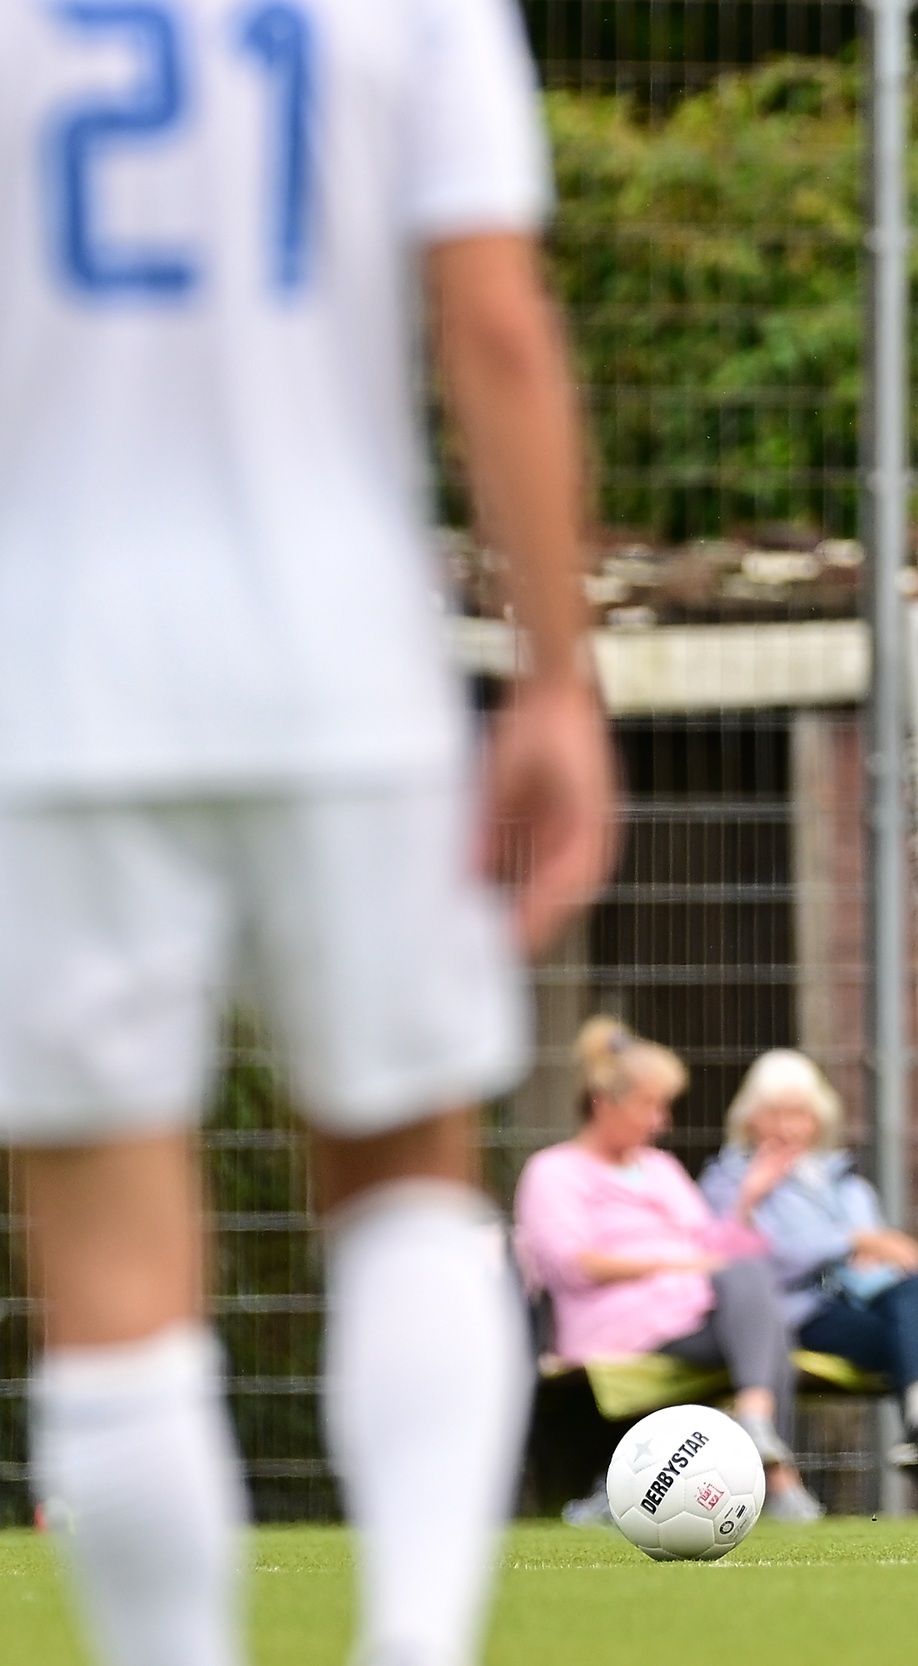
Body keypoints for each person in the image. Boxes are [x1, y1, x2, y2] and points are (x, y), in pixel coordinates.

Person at [3, 4, 615, 1663]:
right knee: (409, 1177)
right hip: (344, 667)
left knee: (107, 1253)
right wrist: (560, 678)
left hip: (52, 684)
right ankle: (416, 1643)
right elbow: (493, 317)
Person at [514, 1020, 822, 1524]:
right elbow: (573, 1263)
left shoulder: (660, 1168)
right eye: (650, 1105)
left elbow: (716, 1246)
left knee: (754, 1291)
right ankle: (775, 1475)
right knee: (767, 1329)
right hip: (615, 1328)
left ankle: (751, 1430)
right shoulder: (554, 1171)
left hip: (688, 1314)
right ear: (603, 1103)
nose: (662, 1121)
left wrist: (748, 1197)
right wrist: (673, 1262)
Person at [699, 1048, 918, 1505]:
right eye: (775, 1115)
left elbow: (876, 1257)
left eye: (800, 1115)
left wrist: (868, 1251)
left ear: (818, 1119)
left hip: (859, 1304)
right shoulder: (726, 1181)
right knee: (915, 1334)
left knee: (916, 1282)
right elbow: (757, 1263)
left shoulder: (845, 1180)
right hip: (797, 1316)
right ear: (750, 1120)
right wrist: (847, 1242)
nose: (788, 1128)